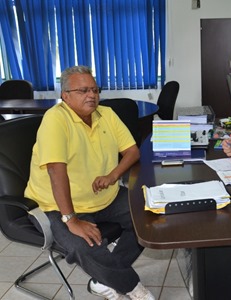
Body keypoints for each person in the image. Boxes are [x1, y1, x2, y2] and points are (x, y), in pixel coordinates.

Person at [24, 66, 155, 300]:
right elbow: (56, 171)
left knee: (150, 215)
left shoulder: (107, 114)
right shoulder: (55, 119)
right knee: (82, 246)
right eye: (83, 90)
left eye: (95, 89)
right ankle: (132, 287)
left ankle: (102, 278)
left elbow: (132, 152)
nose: (92, 95)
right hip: (60, 203)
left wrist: (113, 175)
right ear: (65, 95)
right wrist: (71, 219)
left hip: (103, 195)